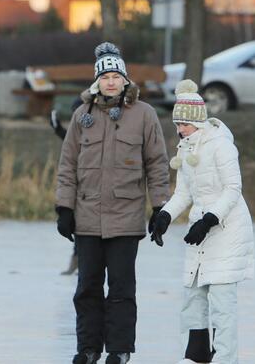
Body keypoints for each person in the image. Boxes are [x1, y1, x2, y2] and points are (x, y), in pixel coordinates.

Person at [55, 42, 170, 364]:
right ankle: (88, 349)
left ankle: (119, 350)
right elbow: (67, 166)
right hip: (87, 217)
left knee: (121, 289)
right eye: (104, 76)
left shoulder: (144, 115)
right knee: (87, 287)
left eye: (115, 76)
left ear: (125, 80)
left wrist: (160, 207)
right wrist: (64, 208)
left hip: (126, 217)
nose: (110, 81)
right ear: (97, 81)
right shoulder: (82, 116)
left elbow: (157, 164)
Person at [149, 79, 255, 364]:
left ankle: (224, 358)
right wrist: (164, 215)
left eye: (184, 124)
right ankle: (196, 356)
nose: (179, 129)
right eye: (177, 124)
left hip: (227, 227)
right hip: (200, 228)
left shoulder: (221, 146)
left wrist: (209, 219)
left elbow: (233, 189)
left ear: (198, 121)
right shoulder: (185, 148)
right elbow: (183, 193)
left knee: (221, 301)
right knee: (193, 295)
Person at [49, 97, 83, 275]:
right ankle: (76, 261)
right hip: (77, 188)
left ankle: (83, 262)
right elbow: (71, 141)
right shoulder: (76, 130)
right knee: (78, 226)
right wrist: (57, 128)